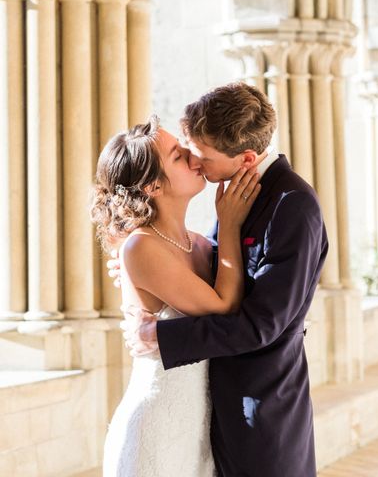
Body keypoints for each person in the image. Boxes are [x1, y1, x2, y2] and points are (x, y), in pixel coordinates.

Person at [113, 82, 328, 477]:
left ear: (246, 157)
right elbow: (214, 278)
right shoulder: (234, 194)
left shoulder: (291, 205)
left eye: (199, 156)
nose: (195, 163)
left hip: (261, 407)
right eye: (184, 153)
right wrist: (142, 270)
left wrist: (160, 336)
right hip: (197, 410)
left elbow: (261, 323)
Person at [91, 114, 261, 476]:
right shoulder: (140, 247)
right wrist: (230, 223)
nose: (193, 157)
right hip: (156, 426)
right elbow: (224, 305)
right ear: (152, 185)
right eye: (179, 156)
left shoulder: (198, 243)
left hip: (199, 428)